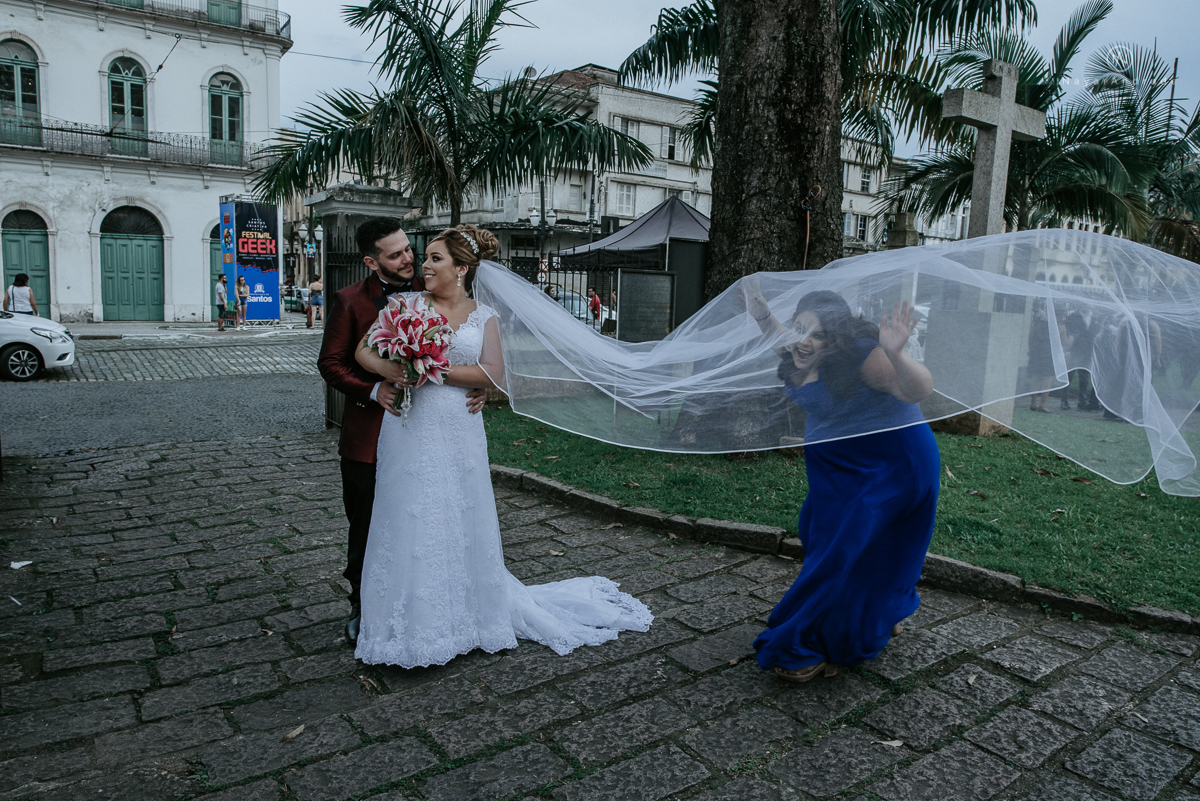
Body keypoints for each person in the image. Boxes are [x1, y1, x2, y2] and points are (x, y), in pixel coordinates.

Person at [351, 224, 652, 667]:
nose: (424, 266)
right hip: (409, 428)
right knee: (406, 515)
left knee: (459, 514)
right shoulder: (405, 305)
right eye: (426, 258)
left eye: (435, 259)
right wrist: (393, 372)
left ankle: (467, 618)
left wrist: (430, 366)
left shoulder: (483, 316)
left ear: (462, 269)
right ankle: (406, 626)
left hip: (459, 428)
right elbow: (362, 351)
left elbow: (493, 373)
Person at [743, 286, 939, 683]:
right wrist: (762, 312)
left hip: (889, 464)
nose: (802, 339)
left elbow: (918, 390)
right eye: (800, 327)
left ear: (835, 338)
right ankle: (878, 614)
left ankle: (804, 645)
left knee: (842, 551)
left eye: (816, 334)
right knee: (821, 535)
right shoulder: (801, 349)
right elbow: (778, 334)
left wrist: (898, 353)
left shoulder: (866, 360)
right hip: (839, 467)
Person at [317, 217, 488, 645]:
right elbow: (332, 363)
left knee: (424, 521)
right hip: (368, 435)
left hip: (428, 430)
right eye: (396, 255)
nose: (409, 259)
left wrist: (479, 385)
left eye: (409, 249)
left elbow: (470, 351)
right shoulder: (350, 300)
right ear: (371, 262)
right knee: (368, 525)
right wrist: (374, 389)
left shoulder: (433, 296)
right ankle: (363, 604)